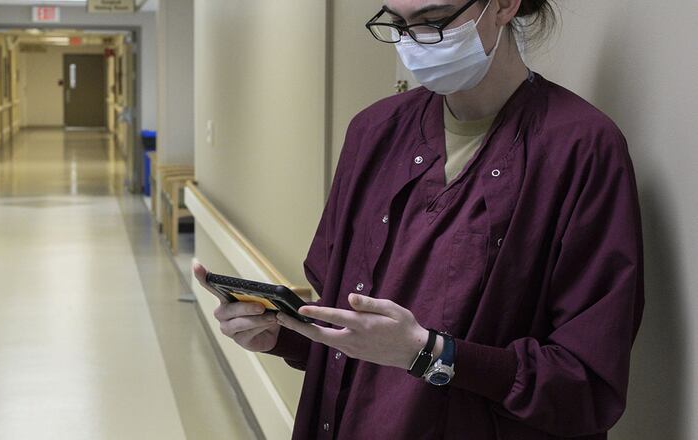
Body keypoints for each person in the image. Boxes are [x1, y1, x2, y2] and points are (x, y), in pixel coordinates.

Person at [194, 0, 645, 438]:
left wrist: (430, 354)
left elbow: (585, 383)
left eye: (433, 19)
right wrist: (279, 336)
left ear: (505, 5)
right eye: (399, 23)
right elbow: (350, 328)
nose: (413, 42)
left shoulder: (581, 149)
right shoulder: (374, 133)